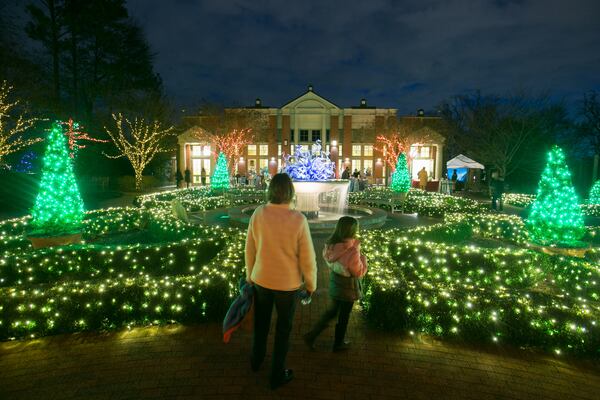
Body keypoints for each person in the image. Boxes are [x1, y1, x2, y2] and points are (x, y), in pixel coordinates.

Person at [245, 173, 317, 390]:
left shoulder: (259, 213)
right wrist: (311, 285)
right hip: (288, 285)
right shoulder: (298, 219)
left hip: (261, 280)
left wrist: (250, 275)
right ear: (290, 192)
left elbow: (250, 248)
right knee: (283, 330)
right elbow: (307, 257)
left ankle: (256, 360)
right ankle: (277, 374)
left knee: (261, 324)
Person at [303, 216, 367, 352]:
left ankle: (312, 335)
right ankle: (338, 344)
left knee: (332, 311)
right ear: (352, 230)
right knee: (344, 316)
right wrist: (363, 259)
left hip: (335, 282)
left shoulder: (331, 245)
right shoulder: (351, 251)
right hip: (348, 287)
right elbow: (358, 272)